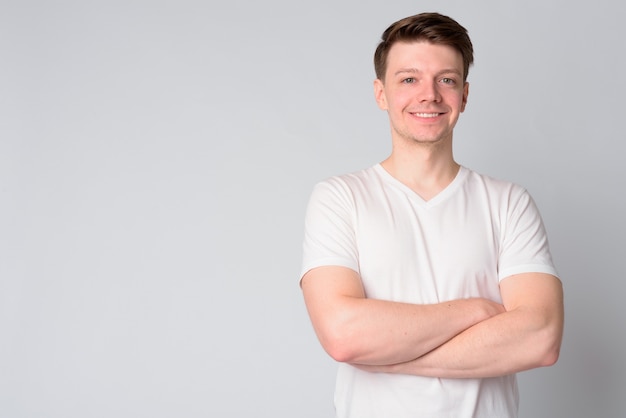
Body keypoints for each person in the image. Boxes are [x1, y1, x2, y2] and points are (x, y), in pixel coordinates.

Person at [298, 12, 564, 418]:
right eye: (409, 79)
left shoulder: (508, 202)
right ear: (381, 93)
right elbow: (343, 335)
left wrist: (388, 356)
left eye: (446, 79)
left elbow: (540, 338)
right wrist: (474, 311)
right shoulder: (340, 198)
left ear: (465, 94)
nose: (430, 95)